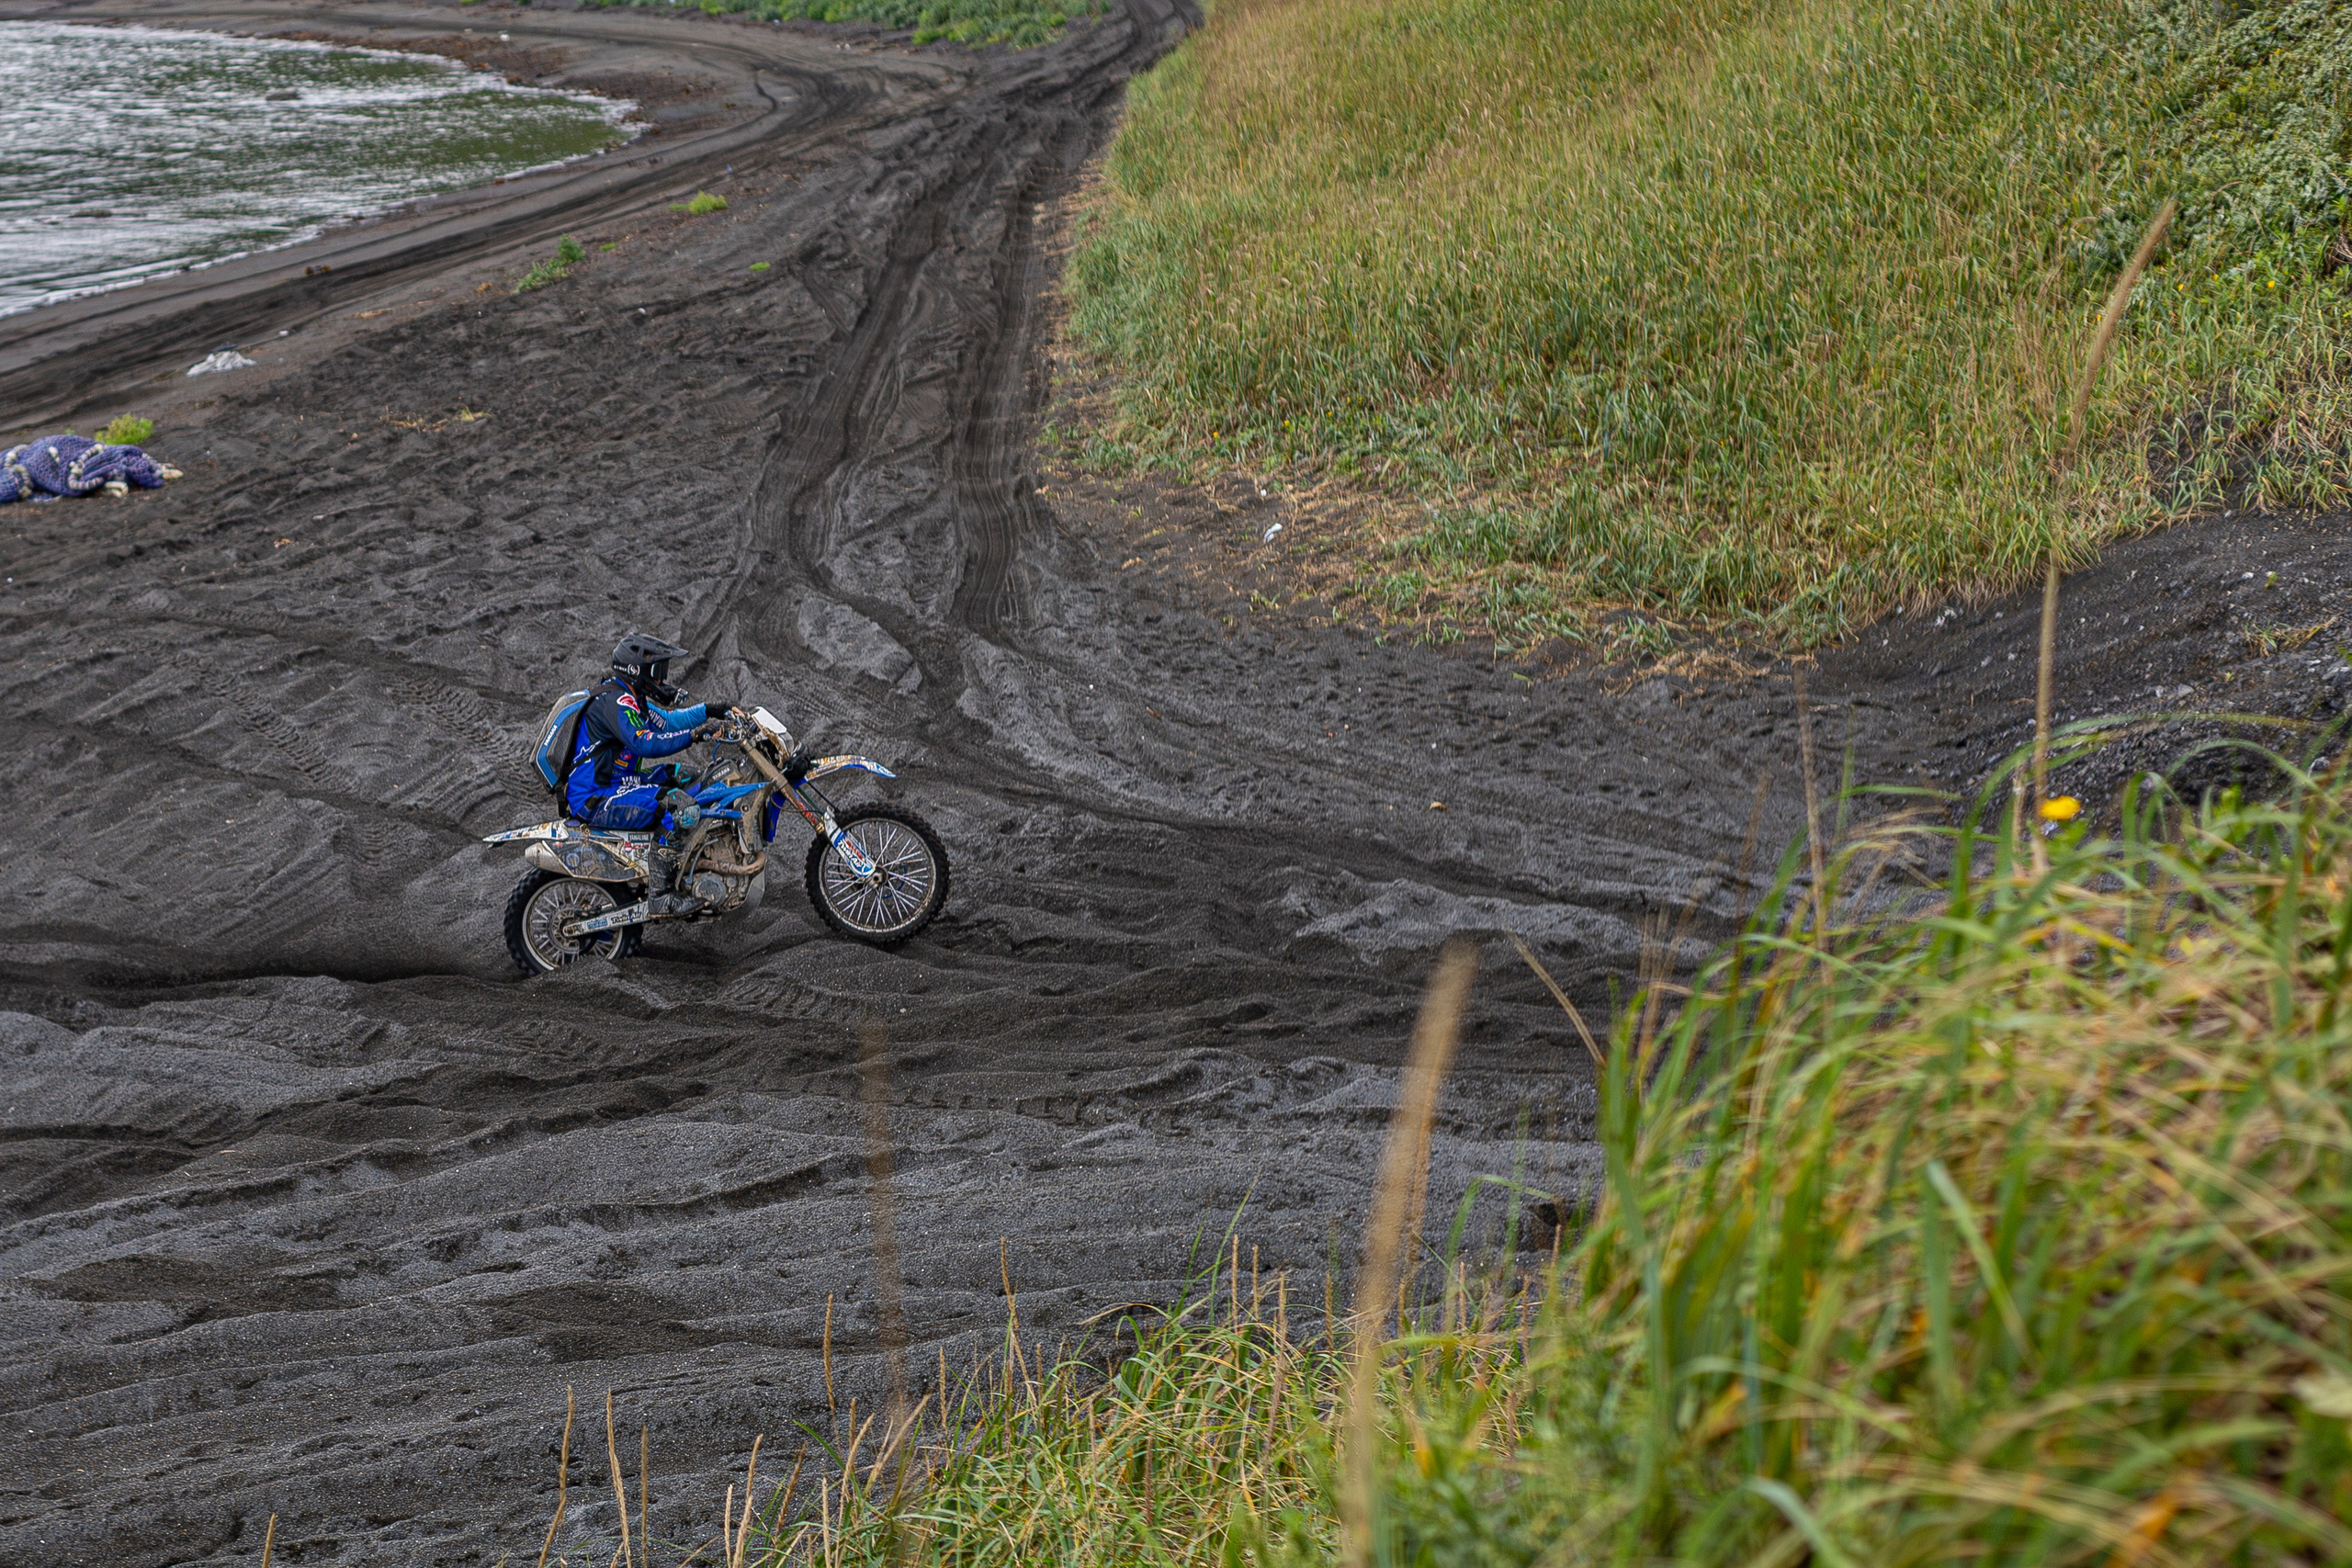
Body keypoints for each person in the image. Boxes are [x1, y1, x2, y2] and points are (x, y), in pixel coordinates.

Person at [565, 632, 741, 915]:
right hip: (596, 796)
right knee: (679, 806)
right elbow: (644, 743)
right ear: (637, 671)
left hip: (620, 783)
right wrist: (695, 735)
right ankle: (661, 895)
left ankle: (694, 861)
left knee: (692, 777)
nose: (661, 679)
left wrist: (709, 710)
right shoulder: (617, 702)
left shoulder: (632, 698)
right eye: (657, 671)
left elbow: (669, 721)